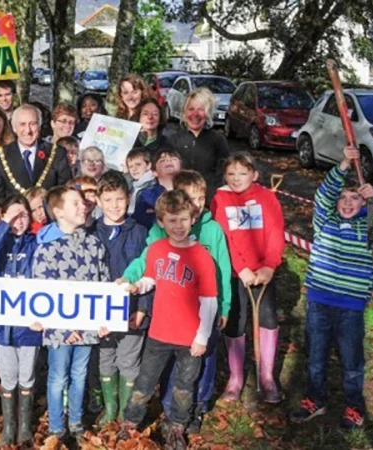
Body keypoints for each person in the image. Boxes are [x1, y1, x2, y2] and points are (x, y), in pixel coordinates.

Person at [123, 170, 233, 433]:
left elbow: (209, 300)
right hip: (159, 333)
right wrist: (137, 284)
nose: (178, 226)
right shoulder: (158, 248)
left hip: (189, 336)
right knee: (145, 381)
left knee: (185, 386)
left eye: (184, 220)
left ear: (193, 218)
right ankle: (130, 422)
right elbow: (151, 276)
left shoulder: (202, 256)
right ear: (161, 222)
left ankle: (177, 426)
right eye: (172, 221)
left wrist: (202, 337)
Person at [290, 146, 373, 431]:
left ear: (363, 202)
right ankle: (315, 398)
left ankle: (354, 405)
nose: (347, 202)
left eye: (355, 197)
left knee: (351, 361)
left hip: (351, 307)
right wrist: (344, 163)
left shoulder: (369, 228)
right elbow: (323, 196)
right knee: (317, 357)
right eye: (343, 197)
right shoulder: (324, 222)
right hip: (319, 302)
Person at [33, 185, 109, 443]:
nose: (82, 207)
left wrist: (104, 319)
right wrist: (65, 328)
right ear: (58, 212)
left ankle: (75, 423)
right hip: (58, 329)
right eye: (75, 204)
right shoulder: (47, 249)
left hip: (87, 326)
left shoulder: (94, 244)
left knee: (80, 374)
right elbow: (44, 292)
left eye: (83, 203)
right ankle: (57, 426)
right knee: (58, 376)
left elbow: (103, 283)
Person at [211, 153, 285, 404]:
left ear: (254, 175)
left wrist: (269, 267)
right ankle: (236, 378)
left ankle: (266, 377)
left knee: (267, 318)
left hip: (263, 272)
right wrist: (240, 268)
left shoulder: (267, 198)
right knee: (236, 321)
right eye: (231, 174)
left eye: (242, 173)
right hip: (235, 274)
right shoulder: (220, 199)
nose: (236, 179)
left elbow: (276, 234)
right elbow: (224, 238)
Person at [0, 195, 41, 446]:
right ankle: (9, 425)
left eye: (23, 215)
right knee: (8, 376)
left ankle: (24, 426)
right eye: (13, 216)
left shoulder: (36, 242)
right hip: (1, 325)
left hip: (28, 325)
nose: (18, 221)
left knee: (27, 375)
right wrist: (4, 223)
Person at [92, 172, 151, 426]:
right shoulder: (91, 231)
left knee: (128, 360)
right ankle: (110, 407)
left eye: (119, 199)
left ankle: (127, 412)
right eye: (108, 199)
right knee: (105, 358)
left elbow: (150, 270)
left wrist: (143, 309)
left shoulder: (140, 232)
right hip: (100, 312)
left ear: (128, 198)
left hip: (132, 310)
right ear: (98, 201)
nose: (114, 205)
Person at [0, 104, 71, 199]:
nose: (28, 130)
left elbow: (64, 193)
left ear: (39, 126)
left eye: (32, 124)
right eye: (22, 124)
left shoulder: (57, 153)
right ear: (14, 127)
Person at [169, 88, 230, 200]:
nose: (195, 114)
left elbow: (224, 173)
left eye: (201, 109)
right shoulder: (173, 140)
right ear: (184, 112)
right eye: (191, 109)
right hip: (180, 201)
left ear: (207, 113)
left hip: (209, 200)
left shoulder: (218, 140)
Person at [131, 149, 182, 230]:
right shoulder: (146, 196)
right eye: (163, 160)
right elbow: (138, 222)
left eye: (174, 159)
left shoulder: (188, 193)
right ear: (154, 172)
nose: (169, 160)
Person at [125, 149, 155, 216]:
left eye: (138, 165)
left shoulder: (154, 187)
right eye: (131, 166)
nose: (134, 169)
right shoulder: (129, 186)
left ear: (148, 165)